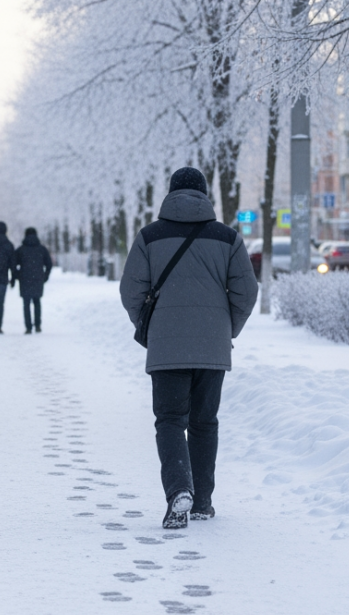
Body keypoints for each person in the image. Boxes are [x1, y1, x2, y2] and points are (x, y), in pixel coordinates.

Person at [119, 167, 258, 529]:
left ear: (170, 194)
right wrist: (228, 327)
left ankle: (180, 490)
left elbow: (130, 290)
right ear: (205, 194)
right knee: (204, 423)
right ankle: (202, 502)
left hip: (167, 347)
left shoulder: (149, 237)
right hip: (213, 345)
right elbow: (247, 292)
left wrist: (149, 326)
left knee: (169, 421)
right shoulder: (228, 238)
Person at [13, 226, 53, 334]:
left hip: (25, 279)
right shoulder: (42, 249)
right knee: (37, 302)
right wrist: (45, 276)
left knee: (26, 304)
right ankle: (38, 325)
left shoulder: (21, 249)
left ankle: (28, 327)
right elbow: (49, 264)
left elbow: (13, 264)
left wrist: (17, 275)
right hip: (38, 279)